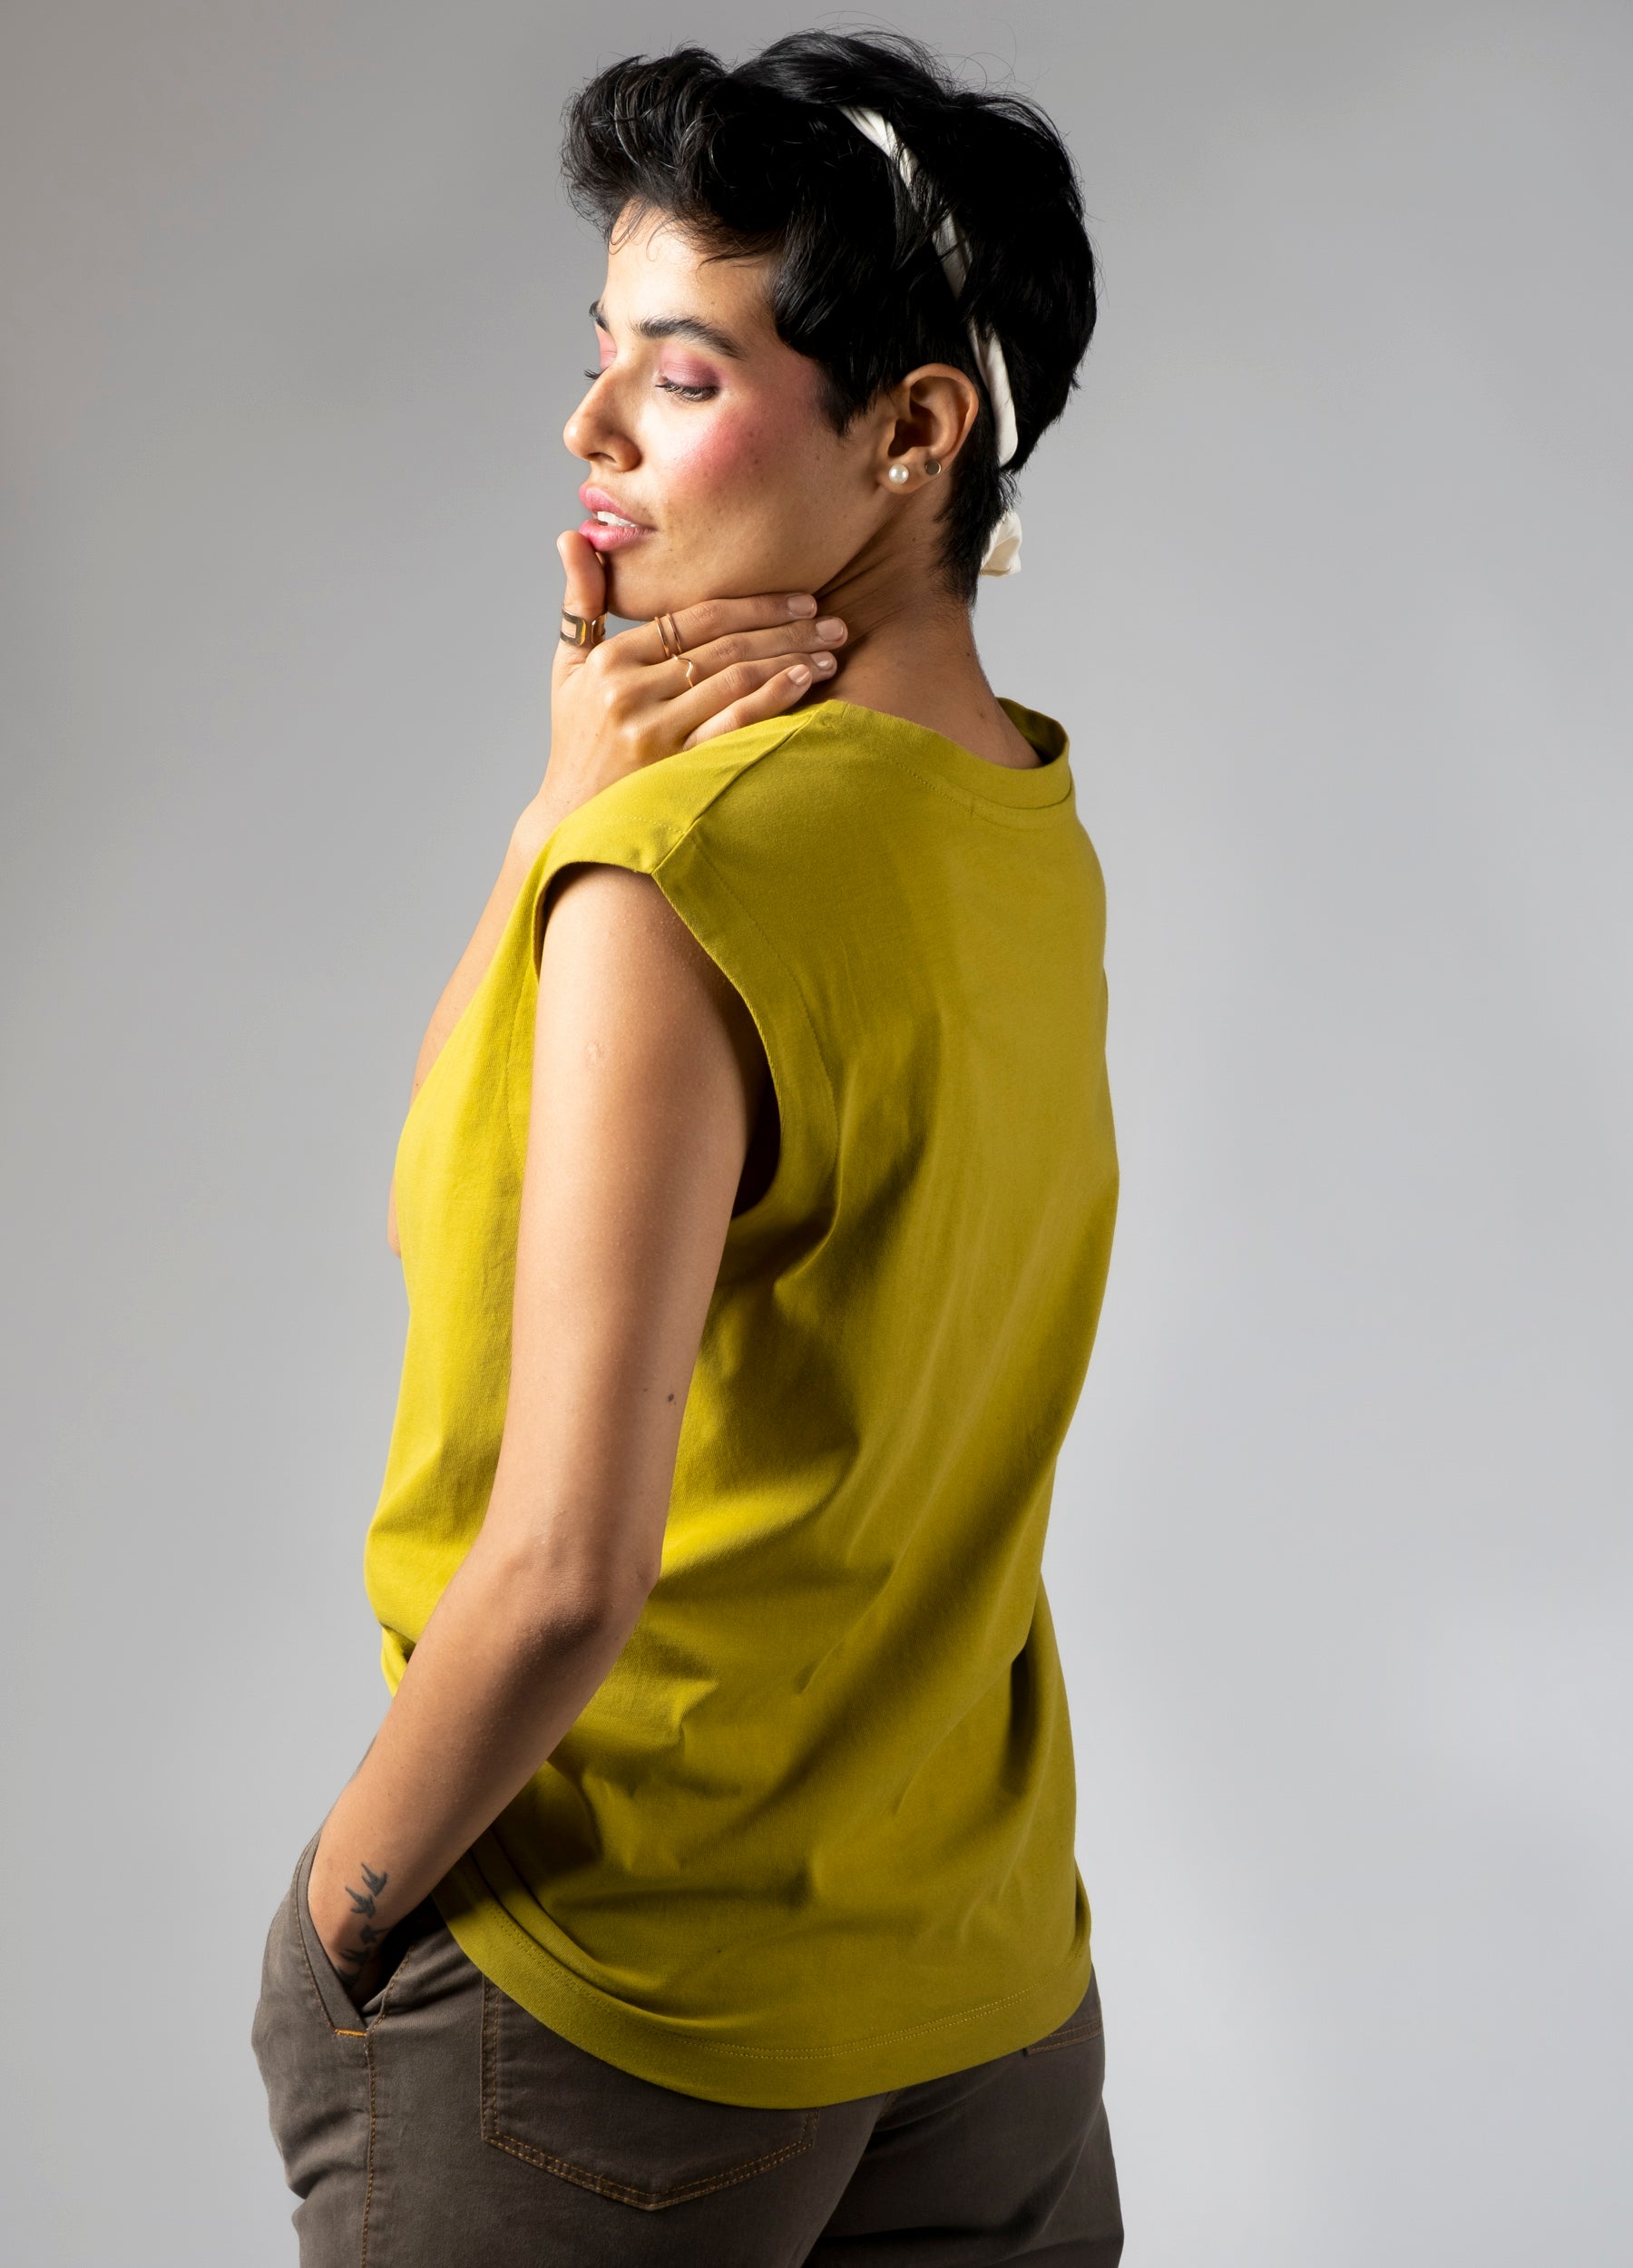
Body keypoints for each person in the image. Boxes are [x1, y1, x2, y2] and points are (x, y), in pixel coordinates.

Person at [252, 31, 1122, 2265]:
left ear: (914, 430)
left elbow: (563, 1565)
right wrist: (558, 810)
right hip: (985, 2005)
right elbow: (466, 1188)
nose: (591, 433)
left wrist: (338, 1916)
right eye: (600, 360)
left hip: (615, 2005)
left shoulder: (682, 878)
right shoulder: (1023, 818)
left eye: (679, 373)